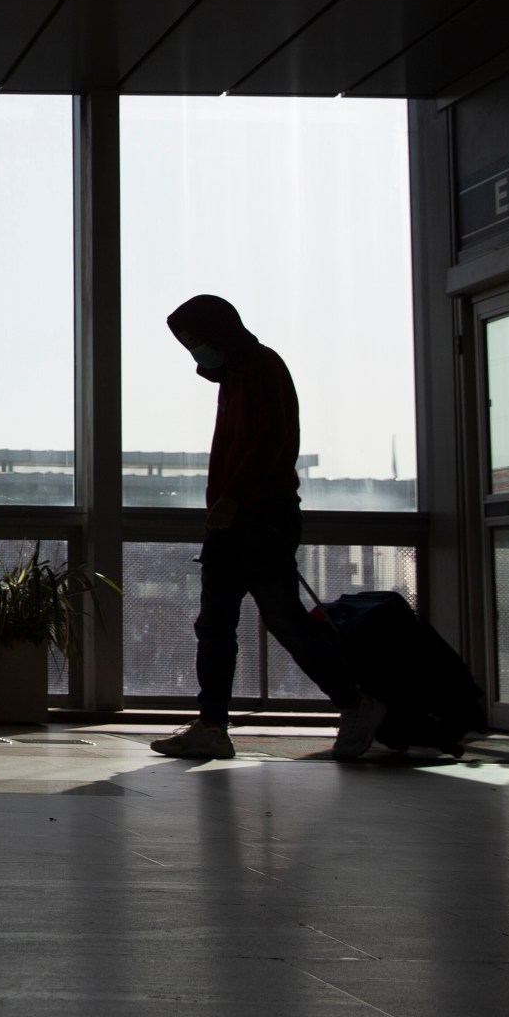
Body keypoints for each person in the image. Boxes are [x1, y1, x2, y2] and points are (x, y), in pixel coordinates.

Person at [150, 296, 384, 761]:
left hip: (259, 518)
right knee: (216, 624)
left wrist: (233, 500)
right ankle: (212, 724)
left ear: (218, 331)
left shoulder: (260, 367)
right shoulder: (236, 376)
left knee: (282, 620)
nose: (194, 351)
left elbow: (269, 440)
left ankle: (356, 702)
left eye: (195, 340)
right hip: (234, 519)